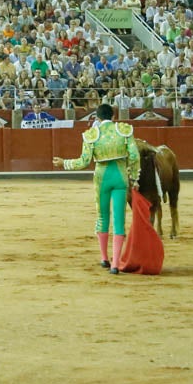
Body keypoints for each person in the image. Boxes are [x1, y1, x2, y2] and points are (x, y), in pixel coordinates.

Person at [53, 103, 141, 274]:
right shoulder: (124, 131)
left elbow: (84, 162)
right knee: (119, 220)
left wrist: (64, 163)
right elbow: (135, 156)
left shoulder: (92, 135)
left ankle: (104, 258)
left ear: (97, 119)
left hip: (102, 178)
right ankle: (116, 264)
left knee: (102, 217)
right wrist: (134, 177)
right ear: (114, 117)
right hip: (120, 177)